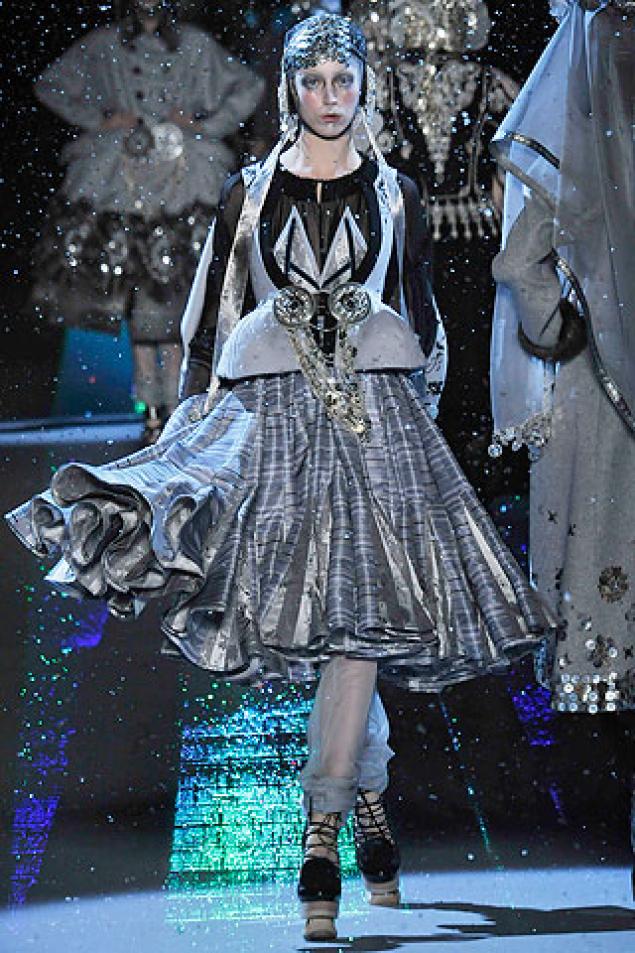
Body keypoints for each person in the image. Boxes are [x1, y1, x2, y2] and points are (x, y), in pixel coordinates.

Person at [7, 13, 552, 941]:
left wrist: (421, 430)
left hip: (377, 424)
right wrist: (191, 430)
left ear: (362, 84)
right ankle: (368, 798)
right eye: (313, 81)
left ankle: (320, 833)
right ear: (292, 87)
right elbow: (212, 318)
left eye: (344, 80)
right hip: (279, 428)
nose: (330, 98)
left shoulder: (397, 194)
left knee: (359, 622)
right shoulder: (248, 193)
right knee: (325, 623)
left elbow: (423, 316)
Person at [489, 0, 634, 885]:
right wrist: (566, 330)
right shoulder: (563, 128)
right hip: (603, 403)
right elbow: (519, 261)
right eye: (616, 16)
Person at [30, 0, 263, 441]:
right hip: (120, 178)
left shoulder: (194, 45)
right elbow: (50, 85)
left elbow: (249, 86)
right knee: (135, 294)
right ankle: (151, 405)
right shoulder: (105, 44)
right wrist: (101, 118)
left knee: (178, 294)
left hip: (184, 178)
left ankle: (177, 404)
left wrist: (204, 124)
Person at [353, 0, 520, 496]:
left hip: (471, 244)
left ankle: (467, 458)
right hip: (414, 242)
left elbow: (514, 163)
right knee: (419, 346)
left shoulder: (490, 85)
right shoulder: (382, 85)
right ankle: (430, 460)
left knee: (468, 352)